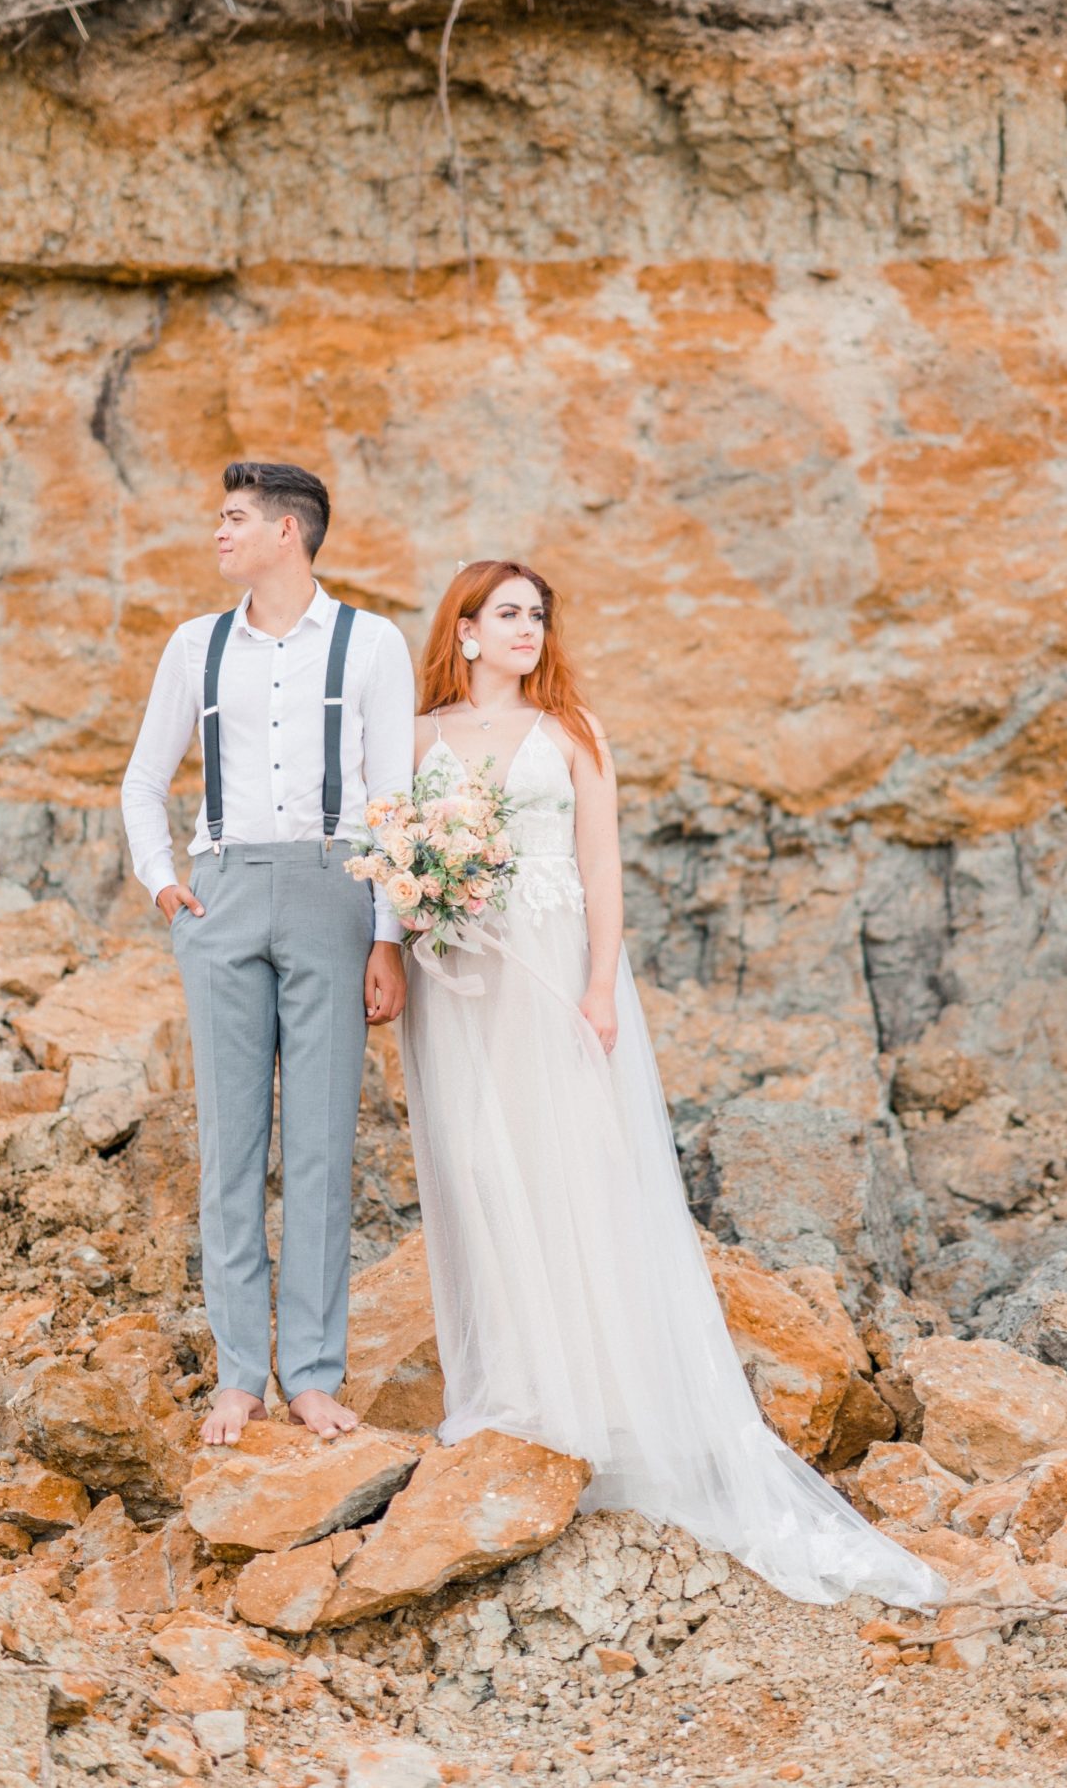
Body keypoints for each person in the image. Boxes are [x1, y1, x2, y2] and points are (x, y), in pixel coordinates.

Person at [398, 560, 944, 1608]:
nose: (528, 628)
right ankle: (511, 1381)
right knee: (476, 1163)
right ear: (462, 631)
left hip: (554, 968)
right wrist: (423, 914)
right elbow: (401, 851)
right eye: (507, 613)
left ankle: (594, 1400)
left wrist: (600, 986)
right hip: (458, 980)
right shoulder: (422, 739)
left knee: (570, 1166)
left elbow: (601, 866)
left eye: (538, 614)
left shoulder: (571, 732)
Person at [121, 462, 414, 1446]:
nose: (219, 530)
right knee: (231, 1148)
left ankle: (315, 1374)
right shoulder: (194, 646)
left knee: (324, 1143)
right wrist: (166, 882)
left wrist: (387, 938)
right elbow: (142, 778)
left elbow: (394, 803)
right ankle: (240, 1372)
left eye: (234, 517)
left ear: (288, 531)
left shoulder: (372, 642)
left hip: (336, 885)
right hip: (224, 889)